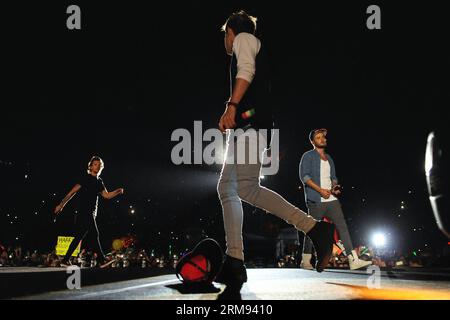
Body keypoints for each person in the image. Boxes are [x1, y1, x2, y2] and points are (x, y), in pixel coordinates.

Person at [215, 10, 337, 287]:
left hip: (251, 129)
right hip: (249, 130)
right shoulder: (252, 44)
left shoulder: (243, 38)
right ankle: (234, 260)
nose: (224, 42)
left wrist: (231, 106)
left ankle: (314, 230)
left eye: (224, 36)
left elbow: (246, 70)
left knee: (244, 188)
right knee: (228, 188)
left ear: (230, 32)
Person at [299, 129, 372, 270]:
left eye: (323, 137)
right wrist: (320, 191)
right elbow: (305, 177)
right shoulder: (308, 156)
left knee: (342, 227)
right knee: (311, 229)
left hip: (331, 200)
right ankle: (306, 260)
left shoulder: (329, 158)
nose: (322, 139)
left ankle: (353, 260)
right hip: (316, 200)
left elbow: (333, 178)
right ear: (312, 142)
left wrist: (334, 187)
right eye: (318, 137)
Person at [54, 156, 124, 267]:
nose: (98, 166)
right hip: (84, 212)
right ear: (90, 166)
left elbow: (106, 196)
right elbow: (71, 192)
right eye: (95, 164)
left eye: (99, 164)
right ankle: (102, 260)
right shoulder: (85, 178)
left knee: (78, 237)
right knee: (95, 234)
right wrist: (61, 204)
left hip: (92, 213)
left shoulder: (99, 181)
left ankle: (64, 260)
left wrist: (117, 191)